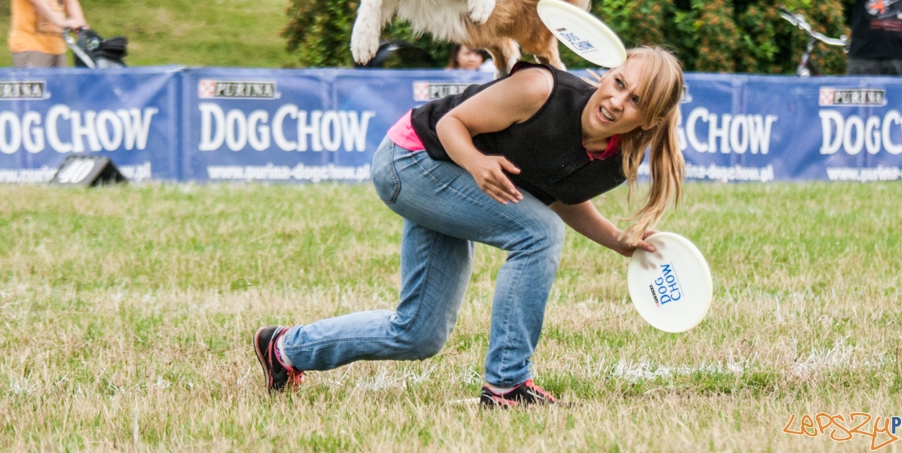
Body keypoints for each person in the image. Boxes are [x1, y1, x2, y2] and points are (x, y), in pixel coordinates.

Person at [253, 47, 685, 407]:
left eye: (636, 102)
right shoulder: (541, 88)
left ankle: (285, 348)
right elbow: (450, 123)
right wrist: (477, 163)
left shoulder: (614, 160)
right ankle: (508, 386)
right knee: (539, 235)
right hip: (410, 160)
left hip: (448, 178)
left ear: (649, 120)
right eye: (619, 83)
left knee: (419, 334)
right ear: (608, 73)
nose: (616, 101)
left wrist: (619, 242)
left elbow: (560, 199)